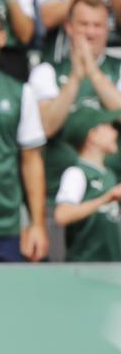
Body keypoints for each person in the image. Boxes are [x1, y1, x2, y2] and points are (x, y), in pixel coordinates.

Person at [28, 0, 121, 261]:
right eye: (84, 25)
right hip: (59, 203)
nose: (91, 33)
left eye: (98, 25)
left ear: (107, 29)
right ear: (68, 27)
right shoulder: (47, 71)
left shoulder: (116, 69)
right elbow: (45, 126)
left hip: (113, 203)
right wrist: (75, 80)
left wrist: (93, 73)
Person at [0, 25, 48, 262]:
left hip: (3, 226)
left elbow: (31, 161)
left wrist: (37, 224)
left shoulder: (20, 92)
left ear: (3, 37)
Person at [54, 109, 121, 261]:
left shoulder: (108, 174)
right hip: (85, 266)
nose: (115, 132)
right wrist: (106, 198)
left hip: (111, 265)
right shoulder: (77, 173)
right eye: (108, 126)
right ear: (92, 135)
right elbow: (62, 215)